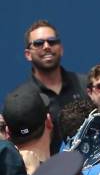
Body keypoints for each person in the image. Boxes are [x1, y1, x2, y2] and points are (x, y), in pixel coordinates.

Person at [13, 20, 87, 155]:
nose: (47, 46)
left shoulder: (85, 85)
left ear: (61, 49)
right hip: (46, 172)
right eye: (38, 43)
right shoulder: (22, 99)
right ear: (28, 54)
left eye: (52, 41)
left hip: (89, 169)